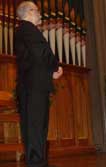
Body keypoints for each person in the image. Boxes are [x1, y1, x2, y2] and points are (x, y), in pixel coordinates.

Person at [15, 1, 63, 167]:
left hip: (35, 84)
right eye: (37, 10)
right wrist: (55, 66)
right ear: (29, 12)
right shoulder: (27, 28)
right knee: (35, 125)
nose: (40, 14)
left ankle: (38, 161)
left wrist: (50, 72)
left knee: (38, 125)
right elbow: (41, 52)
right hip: (33, 86)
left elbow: (34, 59)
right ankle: (36, 162)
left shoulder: (26, 29)